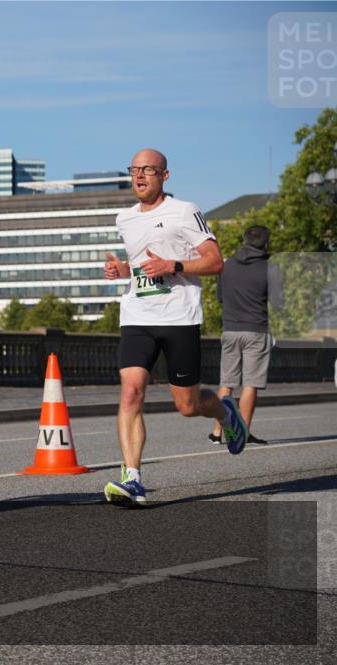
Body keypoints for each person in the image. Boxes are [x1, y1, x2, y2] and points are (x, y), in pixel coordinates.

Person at [102, 148, 248, 506]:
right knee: (131, 392)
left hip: (179, 317)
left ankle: (225, 411)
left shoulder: (184, 211)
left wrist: (174, 265)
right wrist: (124, 271)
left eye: (148, 170)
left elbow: (215, 262)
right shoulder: (125, 218)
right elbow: (142, 267)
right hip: (137, 315)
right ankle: (132, 478)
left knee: (187, 405)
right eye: (134, 170)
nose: (139, 176)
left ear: (164, 176)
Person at [208, 225, 283, 446]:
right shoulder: (271, 268)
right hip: (256, 331)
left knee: (226, 382)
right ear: (266, 244)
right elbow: (279, 304)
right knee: (250, 383)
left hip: (230, 329)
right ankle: (243, 432)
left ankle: (216, 432)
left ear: (244, 240)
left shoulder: (227, 265)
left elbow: (220, 297)